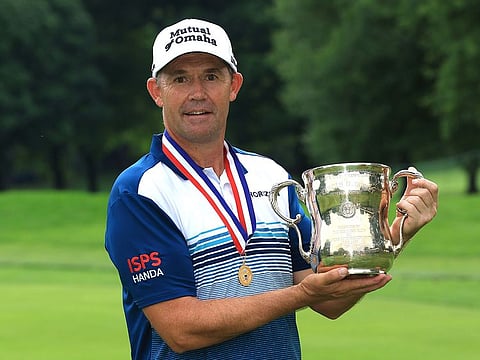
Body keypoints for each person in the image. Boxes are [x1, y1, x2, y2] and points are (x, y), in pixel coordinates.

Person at [105, 18, 438, 360]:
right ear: (156, 92)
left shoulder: (270, 176)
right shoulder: (139, 191)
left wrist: (396, 234)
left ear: (233, 85)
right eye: (179, 79)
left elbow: (328, 300)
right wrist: (300, 296)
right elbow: (181, 329)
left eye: (211, 76)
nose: (197, 93)